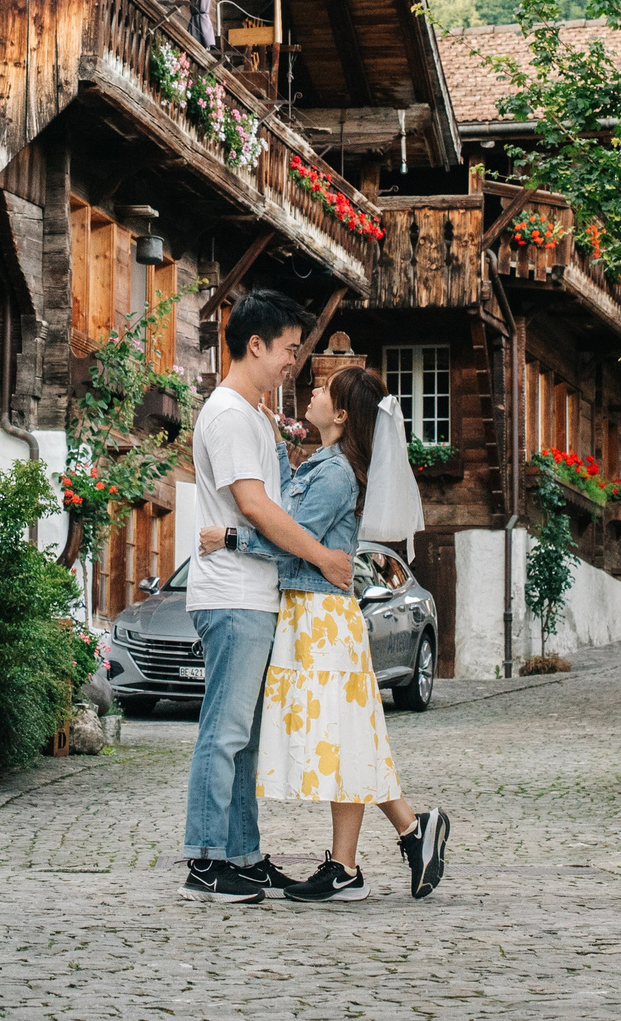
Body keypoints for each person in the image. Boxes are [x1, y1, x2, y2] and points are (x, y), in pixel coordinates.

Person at [202, 365, 450, 902]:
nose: (310, 393)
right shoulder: (325, 462)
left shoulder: (336, 473)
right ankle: (392, 842)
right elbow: (288, 508)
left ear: (340, 414)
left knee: (345, 736)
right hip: (313, 615)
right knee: (349, 735)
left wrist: (227, 537)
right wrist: (273, 443)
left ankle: (365, 858)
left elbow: (284, 535)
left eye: (321, 390)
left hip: (320, 620)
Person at [178, 288, 356, 904]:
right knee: (223, 732)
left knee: (245, 737)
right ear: (254, 345)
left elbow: (268, 505)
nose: (291, 362)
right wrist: (323, 555)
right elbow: (255, 505)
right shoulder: (227, 413)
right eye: (286, 349)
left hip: (255, 593)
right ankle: (204, 862)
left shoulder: (253, 413)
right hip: (232, 595)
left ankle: (244, 856)